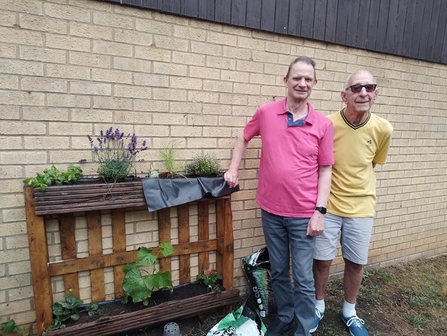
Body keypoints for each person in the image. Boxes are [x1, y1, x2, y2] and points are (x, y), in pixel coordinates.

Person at [224, 56, 334, 336]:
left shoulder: (322, 124)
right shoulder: (265, 112)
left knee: (304, 276)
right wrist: (233, 169)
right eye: (297, 77)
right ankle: (285, 316)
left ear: (315, 84)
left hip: (303, 215)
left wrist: (319, 212)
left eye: (308, 79)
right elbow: (244, 137)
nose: (302, 83)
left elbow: (325, 170)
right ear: (285, 81)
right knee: (281, 272)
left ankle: (304, 328)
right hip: (271, 211)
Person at [311, 70, 393, 336]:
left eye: (369, 87)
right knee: (322, 260)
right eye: (356, 88)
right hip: (329, 206)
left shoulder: (383, 129)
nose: (363, 93)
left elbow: (372, 164)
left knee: (355, 262)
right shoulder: (327, 125)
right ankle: (318, 305)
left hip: (361, 208)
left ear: (376, 93)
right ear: (344, 95)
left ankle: (350, 311)